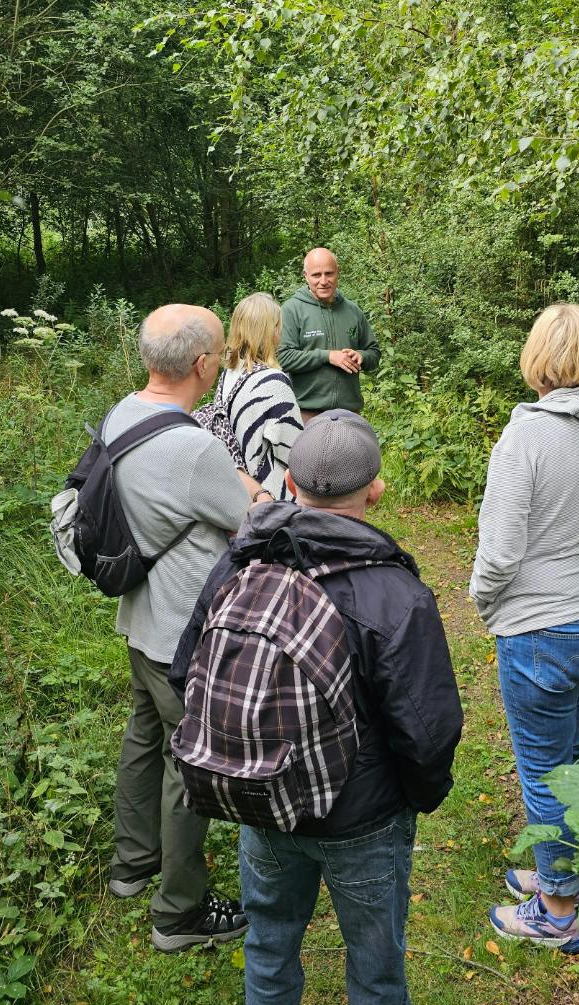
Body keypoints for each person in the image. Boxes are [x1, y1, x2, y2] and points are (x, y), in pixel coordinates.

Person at [171, 410, 463, 1005]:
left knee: (270, 936)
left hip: (262, 802)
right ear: (377, 492)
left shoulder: (239, 563)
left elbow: (186, 673)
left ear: (290, 484)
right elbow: (426, 728)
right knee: (375, 956)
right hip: (362, 819)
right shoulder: (394, 594)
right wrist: (415, 798)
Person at [105, 304, 270, 953]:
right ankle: (179, 913)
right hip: (183, 634)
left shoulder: (125, 413)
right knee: (187, 760)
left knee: (143, 736)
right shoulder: (195, 446)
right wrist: (253, 487)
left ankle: (133, 864)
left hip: (141, 617)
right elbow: (251, 517)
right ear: (203, 364)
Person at [470, 304, 579, 949]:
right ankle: (557, 869)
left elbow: (500, 551)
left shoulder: (526, 437)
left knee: (542, 771)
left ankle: (559, 910)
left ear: (537, 359)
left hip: (545, 627)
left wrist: (483, 601)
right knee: (569, 761)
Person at [214, 292, 304, 500]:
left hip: (240, 487)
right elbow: (293, 450)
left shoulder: (229, 373)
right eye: (277, 326)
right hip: (272, 493)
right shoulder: (272, 381)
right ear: (269, 331)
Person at [278, 247, 381, 421]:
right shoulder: (291, 310)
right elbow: (283, 358)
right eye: (316, 275)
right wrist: (327, 356)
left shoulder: (353, 311)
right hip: (306, 414)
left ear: (338, 272)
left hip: (350, 414)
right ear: (305, 276)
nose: (323, 281)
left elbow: (374, 354)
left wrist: (361, 356)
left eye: (329, 273)